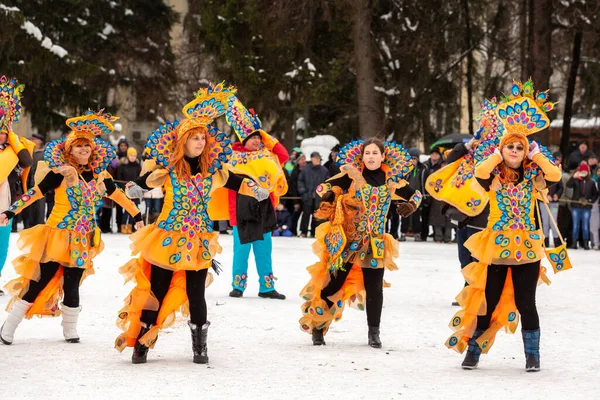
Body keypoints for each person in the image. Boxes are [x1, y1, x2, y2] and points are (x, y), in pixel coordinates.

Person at [115, 83, 268, 364]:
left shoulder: (214, 171)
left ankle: (200, 346)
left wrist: (256, 188)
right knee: (157, 291)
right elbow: (141, 183)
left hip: (198, 240)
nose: (200, 142)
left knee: (197, 294)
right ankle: (143, 344)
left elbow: (238, 181)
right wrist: (133, 189)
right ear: (183, 140)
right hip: (167, 238)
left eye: (203, 137)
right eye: (195, 137)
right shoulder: (169, 170)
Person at [446, 80, 564, 372]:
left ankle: (532, 355)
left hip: (525, 247)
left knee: (527, 303)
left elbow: (556, 174)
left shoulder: (533, 172)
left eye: (518, 147)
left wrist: (535, 154)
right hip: (496, 246)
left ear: (526, 150)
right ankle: (473, 350)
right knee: (488, 299)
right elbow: (479, 169)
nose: (514, 150)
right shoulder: (493, 173)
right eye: (510, 146)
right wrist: (498, 153)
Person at [0, 110, 142, 345]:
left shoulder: (100, 175)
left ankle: (70, 328)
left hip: (82, 238)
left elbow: (116, 195)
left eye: (87, 146)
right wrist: (12, 210)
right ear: (69, 149)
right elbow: (36, 192)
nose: (84, 150)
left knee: (73, 283)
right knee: (39, 281)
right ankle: (9, 325)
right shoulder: (61, 172)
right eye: (78, 146)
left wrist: (136, 213)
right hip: (57, 235)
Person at [299, 138, 422, 348]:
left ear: (383, 157)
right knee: (335, 283)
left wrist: (411, 206)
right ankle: (318, 326)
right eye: (368, 153)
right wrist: (331, 194)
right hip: (349, 242)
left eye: (375, 153)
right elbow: (323, 187)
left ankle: (374, 333)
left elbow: (417, 194)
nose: (371, 157)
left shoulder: (391, 180)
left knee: (375, 289)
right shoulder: (352, 176)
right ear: (361, 156)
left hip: (375, 244)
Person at [208, 96, 289, 300]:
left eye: (259, 137)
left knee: (264, 250)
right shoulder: (232, 156)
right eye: (253, 137)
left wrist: (266, 136)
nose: (257, 140)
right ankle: (238, 285)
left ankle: (267, 287)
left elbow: (284, 155)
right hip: (240, 210)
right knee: (241, 251)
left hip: (264, 210)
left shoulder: (267, 154)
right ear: (243, 139)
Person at [0, 76, 34, 296]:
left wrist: (12, 137)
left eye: (2, 131)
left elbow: (27, 162)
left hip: (5, 201)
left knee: (2, 244)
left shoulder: (14, 149)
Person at [567, 162, 598, 250]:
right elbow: (568, 185)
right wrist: (573, 177)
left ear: (588, 172)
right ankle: (574, 243)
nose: (584, 172)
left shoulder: (591, 182)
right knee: (576, 225)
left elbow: (595, 194)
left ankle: (585, 244)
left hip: (586, 207)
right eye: (582, 171)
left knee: (585, 226)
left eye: (585, 171)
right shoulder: (576, 180)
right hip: (576, 206)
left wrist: (590, 201)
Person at [400, 148, 429, 241]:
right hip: (406, 196)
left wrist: (425, 196)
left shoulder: (423, 169)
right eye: (411, 159)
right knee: (405, 214)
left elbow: (425, 183)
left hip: (418, 196)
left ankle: (417, 233)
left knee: (417, 215)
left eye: (415, 159)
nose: (413, 161)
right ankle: (403, 233)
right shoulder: (404, 169)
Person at [298, 151, 330, 237]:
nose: (317, 160)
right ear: (311, 159)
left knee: (317, 215)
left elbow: (327, 183)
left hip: (319, 197)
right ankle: (303, 231)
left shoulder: (324, 170)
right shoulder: (306, 169)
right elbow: (300, 181)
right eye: (315, 158)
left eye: (318, 158)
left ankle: (315, 232)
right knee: (306, 214)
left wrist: (324, 194)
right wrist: (303, 192)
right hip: (307, 196)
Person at [22, 133, 46, 228]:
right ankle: (28, 225)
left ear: (39, 142)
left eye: (34, 139)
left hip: (41, 185)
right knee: (28, 207)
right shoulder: (29, 153)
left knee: (40, 208)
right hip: (28, 184)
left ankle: (39, 225)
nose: (32, 141)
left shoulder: (43, 154)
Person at [116, 147, 142, 233]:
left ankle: (131, 226)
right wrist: (123, 188)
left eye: (134, 156)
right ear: (128, 156)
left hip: (135, 190)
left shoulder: (137, 165)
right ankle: (123, 226)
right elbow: (119, 177)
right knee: (127, 209)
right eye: (131, 155)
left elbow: (140, 177)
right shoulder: (123, 165)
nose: (133, 157)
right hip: (126, 190)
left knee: (134, 209)